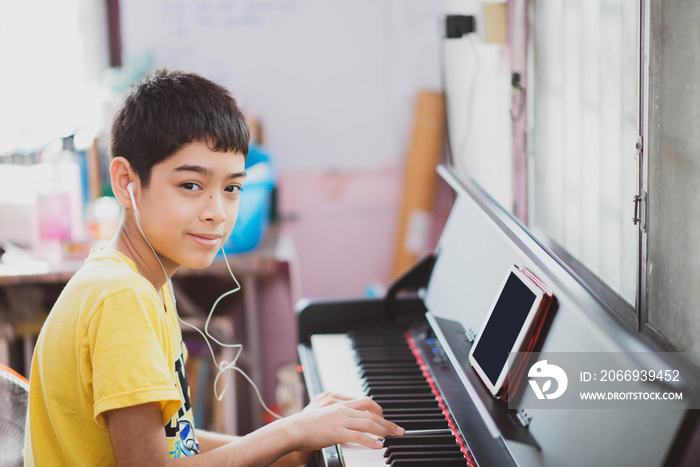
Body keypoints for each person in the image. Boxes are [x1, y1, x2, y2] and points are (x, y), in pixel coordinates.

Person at [25, 69, 404, 466]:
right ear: (126, 182)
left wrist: (291, 439)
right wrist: (290, 431)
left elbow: (174, 440)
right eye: (191, 185)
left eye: (231, 188)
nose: (217, 213)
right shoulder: (122, 297)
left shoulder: (138, 281)